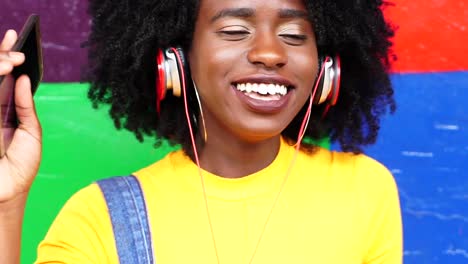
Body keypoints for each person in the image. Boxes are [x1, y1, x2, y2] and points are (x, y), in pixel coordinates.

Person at [0, 0, 402, 263]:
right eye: (233, 31)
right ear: (175, 60)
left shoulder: (364, 189)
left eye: (294, 36)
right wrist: (6, 204)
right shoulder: (101, 218)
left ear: (325, 66)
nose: (269, 53)